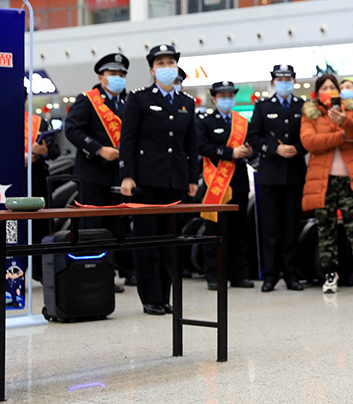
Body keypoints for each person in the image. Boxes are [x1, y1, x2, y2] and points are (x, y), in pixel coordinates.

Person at [119, 44, 199, 315]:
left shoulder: (186, 103)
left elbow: (191, 145)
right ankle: (150, 298)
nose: (167, 67)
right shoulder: (139, 98)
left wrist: (192, 177)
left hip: (175, 181)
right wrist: (126, 175)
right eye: (161, 63)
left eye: (171, 63)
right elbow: (127, 140)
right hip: (145, 182)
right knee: (148, 242)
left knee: (170, 242)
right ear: (153, 69)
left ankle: (165, 296)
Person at [64, 53, 135, 290]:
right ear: (101, 77)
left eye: (122, 74)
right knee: (94, 224)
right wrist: (98, 149)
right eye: (113, 74)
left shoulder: (129, 103)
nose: (118, 78)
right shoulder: (88, 100)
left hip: (119, 173)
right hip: (93, 173)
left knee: (120, 223)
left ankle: (126, 270)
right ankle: (98, 272)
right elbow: (72, 130)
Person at [301, 74, 353, 294]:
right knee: (326, 229)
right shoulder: (309, 113)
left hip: (350, 179)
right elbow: (309, 142)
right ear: (317, 92)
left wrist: (345, 122)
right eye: (324, 87)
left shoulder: (350, 109)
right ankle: (330, 274)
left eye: (333, 87)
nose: (329, 90)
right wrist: (341, 136)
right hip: (323, 181)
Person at [247, 64, 307, 292]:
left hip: (294, 172)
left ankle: (291, 274)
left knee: (292, 226)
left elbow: (309, 136)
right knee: (270, 228)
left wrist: (298, 148)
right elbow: (253, 137)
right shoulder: (263, 107)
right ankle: (270, 275)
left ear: (293, 81)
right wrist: (274, 149)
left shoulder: (303, 106)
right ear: (273, 82)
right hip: (269, 174)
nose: (284, 82)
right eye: (280, 79)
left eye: (288, 78)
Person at [196, 81, 255, 291]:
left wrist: (248, 152)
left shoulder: (242, 122)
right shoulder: (205, 121)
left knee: (239, 232)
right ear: (214, 99)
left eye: (230, 95)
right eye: (222, 96)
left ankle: (240, 274)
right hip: (216, 185)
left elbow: (252, 147)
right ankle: (214, 275)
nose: (227, 99)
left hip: (238, 183)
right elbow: (202, 146)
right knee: (214, 231)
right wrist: (230, 153)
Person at [25, 95, 59, 283]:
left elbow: (54, 151)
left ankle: (40, 271)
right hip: (6, 182)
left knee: (40, 228)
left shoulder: (36, 123)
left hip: (35, 181)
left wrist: (42, 152)